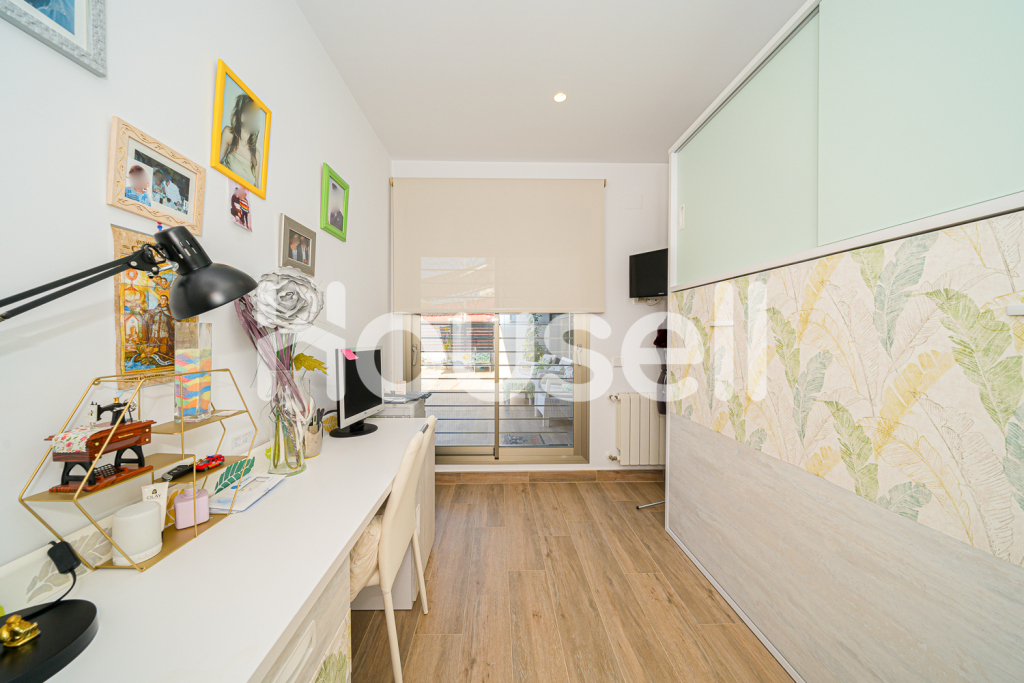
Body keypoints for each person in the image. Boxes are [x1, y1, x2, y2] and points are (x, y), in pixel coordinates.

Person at [220, 93, 262, 187]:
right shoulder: (229, 134)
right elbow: (215, 164)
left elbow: (256, 187)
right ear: (240, 112)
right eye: (246, 111)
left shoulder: (256, 154)